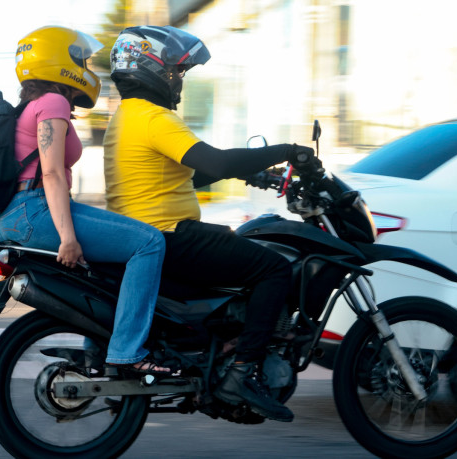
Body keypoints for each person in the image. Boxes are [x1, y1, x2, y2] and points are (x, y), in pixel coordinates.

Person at [103, 25, 321, 422]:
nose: (179, 80)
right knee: (273, 269)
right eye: (177, 71)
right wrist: (289, 151)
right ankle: (241, 373)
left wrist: (255, 173)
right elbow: (217, 161)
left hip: (147, 234)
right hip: (172, 235)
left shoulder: (128, 116)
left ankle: (222, 352)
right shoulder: (155, 118)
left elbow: (188, 172)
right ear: (153, 70)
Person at [0, 25, 171, 376]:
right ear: (60, 61)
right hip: (37, 210)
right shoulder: (53, 102)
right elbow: (51, 173)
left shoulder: (31, 105)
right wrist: (68, 238)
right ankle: (127, 353)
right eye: (82, 60)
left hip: (19, 213)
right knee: (149, 242)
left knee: (109, 266)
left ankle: (98, 352)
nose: (87, 68)